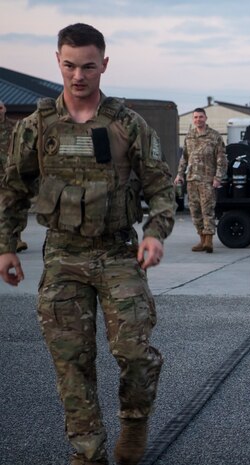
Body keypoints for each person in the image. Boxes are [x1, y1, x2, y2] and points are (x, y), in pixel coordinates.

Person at [0, 23, 175, 465]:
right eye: (69, 66)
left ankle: (134, 421)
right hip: (63, 255)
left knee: (134, 352)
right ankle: (88, 452)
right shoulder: (37, 126)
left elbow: (160, 187)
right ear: (58, 63)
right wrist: (5, 245)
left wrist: (155, 233)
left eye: (89, 67)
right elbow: (12, 189)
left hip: (118, 252)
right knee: (71, 363)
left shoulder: (127, 125)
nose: (79, 76)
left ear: (104, 65)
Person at [174, 108, 226, 253]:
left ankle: (209, 241)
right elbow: (184, 157)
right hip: (192, 180)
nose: (198, 119)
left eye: (201, 117)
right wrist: (179, 175)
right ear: (193, 119)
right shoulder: (189, 136)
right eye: (196, 117)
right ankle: (202, 239)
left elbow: (222, 159)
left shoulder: (214, 136)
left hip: (207, 181)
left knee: (207, 210)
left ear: (206, 118)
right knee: (194, 211)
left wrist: (218, 178)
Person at [0, 100, 28, 253]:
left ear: (5, 109)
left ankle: (16, 238)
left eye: (0, 107)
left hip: (12, 175)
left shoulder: (16, 127)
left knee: (16, 207)